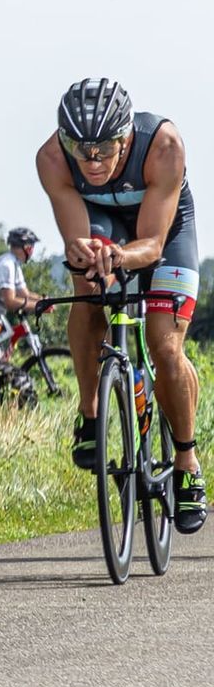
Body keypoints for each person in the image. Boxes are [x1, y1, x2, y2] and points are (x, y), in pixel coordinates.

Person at [34, 80, 203, 532]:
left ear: (126, 137)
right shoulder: (52, 159)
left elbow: (151, 243)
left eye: (104, 149)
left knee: (165, 347)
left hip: (163, 231)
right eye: (79, 149)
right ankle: (90, 413)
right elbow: (76, 240)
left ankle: (187, 462)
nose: (91, 162)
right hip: (103, 221)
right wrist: (85, 255)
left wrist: (122, 257)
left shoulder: (163, 146)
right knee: (87, 296)